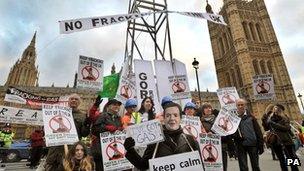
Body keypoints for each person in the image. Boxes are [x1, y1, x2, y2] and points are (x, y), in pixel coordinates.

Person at [124, 102, 203, 170]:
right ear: (164, 119)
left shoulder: (191, 140)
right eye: (168, 115)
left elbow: (200, 166)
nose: (172, 118)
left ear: (180, 118)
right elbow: (143, 166)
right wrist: (130, 150)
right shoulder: (155, 142)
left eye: (175, 115)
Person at [45, 93, 91, 171]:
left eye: (76, 99)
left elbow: (84, 134)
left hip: (71, 149)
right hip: (56, 148)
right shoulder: (58, 112)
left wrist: (87, 123)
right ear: (68, 101)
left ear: (79, 102)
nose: (73, 100)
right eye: (71, 99)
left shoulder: (82, 116)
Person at [262, 104, 299, 171]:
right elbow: (266, 128)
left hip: (286, 140)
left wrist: (273, 123)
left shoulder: (285, 117)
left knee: (291, 158)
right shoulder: (270, 119)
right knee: (282, 160)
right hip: (276, 141)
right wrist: (264, 119)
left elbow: (286, 128)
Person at [200, 102, 234, 171]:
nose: (208, 109)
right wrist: (206, 135)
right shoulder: (200, 122)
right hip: (209, 149)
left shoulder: (219, 120)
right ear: (203, 110)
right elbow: (199, 136)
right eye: (206, 108)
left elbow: (225, 134)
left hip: (222, 147)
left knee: (223, 168)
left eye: (209, 108)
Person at [91, 99, 123, 171]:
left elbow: (118, 130)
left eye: (118, 105)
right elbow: (94, 129)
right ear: (108, 106)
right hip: (101, 151)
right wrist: (106, 128)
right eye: (114, 104)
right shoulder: (103, 115)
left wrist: (121, 130)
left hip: (113, 149)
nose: (117, 106)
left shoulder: (118, 118)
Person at [233, 99, 264, 171]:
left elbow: (258, 131)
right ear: (236, 106)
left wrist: (261, 145)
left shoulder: (251, 117)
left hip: (252, 144)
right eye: (238, 105)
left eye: (242, 104)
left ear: (245, 106)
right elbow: (231, 133)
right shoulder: (234, 119)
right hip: (240, 145)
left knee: (255, 166)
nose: (240, 106)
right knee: (243, 167)